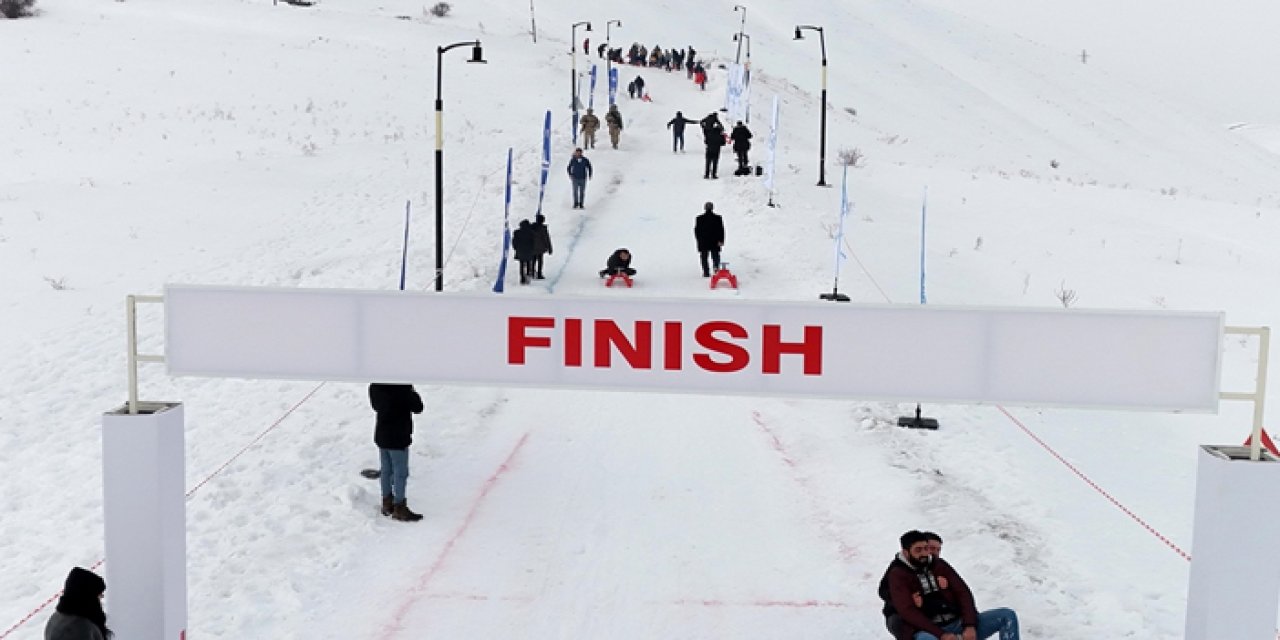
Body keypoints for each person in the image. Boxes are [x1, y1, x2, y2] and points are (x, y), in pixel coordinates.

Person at [880, 530, 1020, 640]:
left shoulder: (939, 565)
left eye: (926, 549)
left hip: (957, 622)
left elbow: (963, 593)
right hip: (929, 631)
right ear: (906, 552)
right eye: (918, 550)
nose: (924, 553)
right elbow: (906, 610)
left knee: (1007, 615)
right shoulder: (897, 573)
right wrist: (941, 634)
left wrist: (969, 625)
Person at [371, 383, 425, 521]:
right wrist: (412, 390)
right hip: (398, 436)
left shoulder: (375, 386)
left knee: (386, 470)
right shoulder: (403, 389)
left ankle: (387, 502)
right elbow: (418, 407)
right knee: (400, 473)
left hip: (382, 434)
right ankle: (399, 507)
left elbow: (377, 406)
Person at [45, 567, 111, 640]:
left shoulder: (57, 617)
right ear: (88, 597)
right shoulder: (80, 627)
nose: (101, 600)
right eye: (99, 596)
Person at [694, 201, 725, 278]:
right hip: (715, 241)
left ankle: (706, 272)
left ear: (704, 208)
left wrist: (698, 241)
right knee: (715, 256)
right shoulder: (718, 218)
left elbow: (697, 231)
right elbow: (721, 230)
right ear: (712, 208)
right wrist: (721, 240)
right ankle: (716, 268)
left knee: (704, 257)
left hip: (704, 241)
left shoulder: (699, 219)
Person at [700, 112, 725, 179]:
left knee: (708, 162)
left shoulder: (708, 133)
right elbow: (723, 143)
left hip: (709, 149)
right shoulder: (720, 135)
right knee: (715, 162)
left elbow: (706, 140)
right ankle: (714, 175)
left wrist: (703, 126)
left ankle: (707, 174)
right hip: (716, 149)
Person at [512, 219, 536, 285]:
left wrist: (516, 248)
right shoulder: (531, 232)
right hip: (529, 250)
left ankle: (522, 278)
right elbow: (533, 242)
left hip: (520, 250)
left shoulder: (517, 232)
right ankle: (528, 275)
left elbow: (514, 242)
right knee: (528, 263)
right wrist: (533, 249)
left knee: (521, 264)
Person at [531, 213, 553, 279]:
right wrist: (549, 248)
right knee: (540, 261)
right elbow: (546, 238)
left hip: (532, 247)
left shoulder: (532, 227)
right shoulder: (543, 229)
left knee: (533, 260)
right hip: (541, 248)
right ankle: (539, 274)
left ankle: (532, 272)